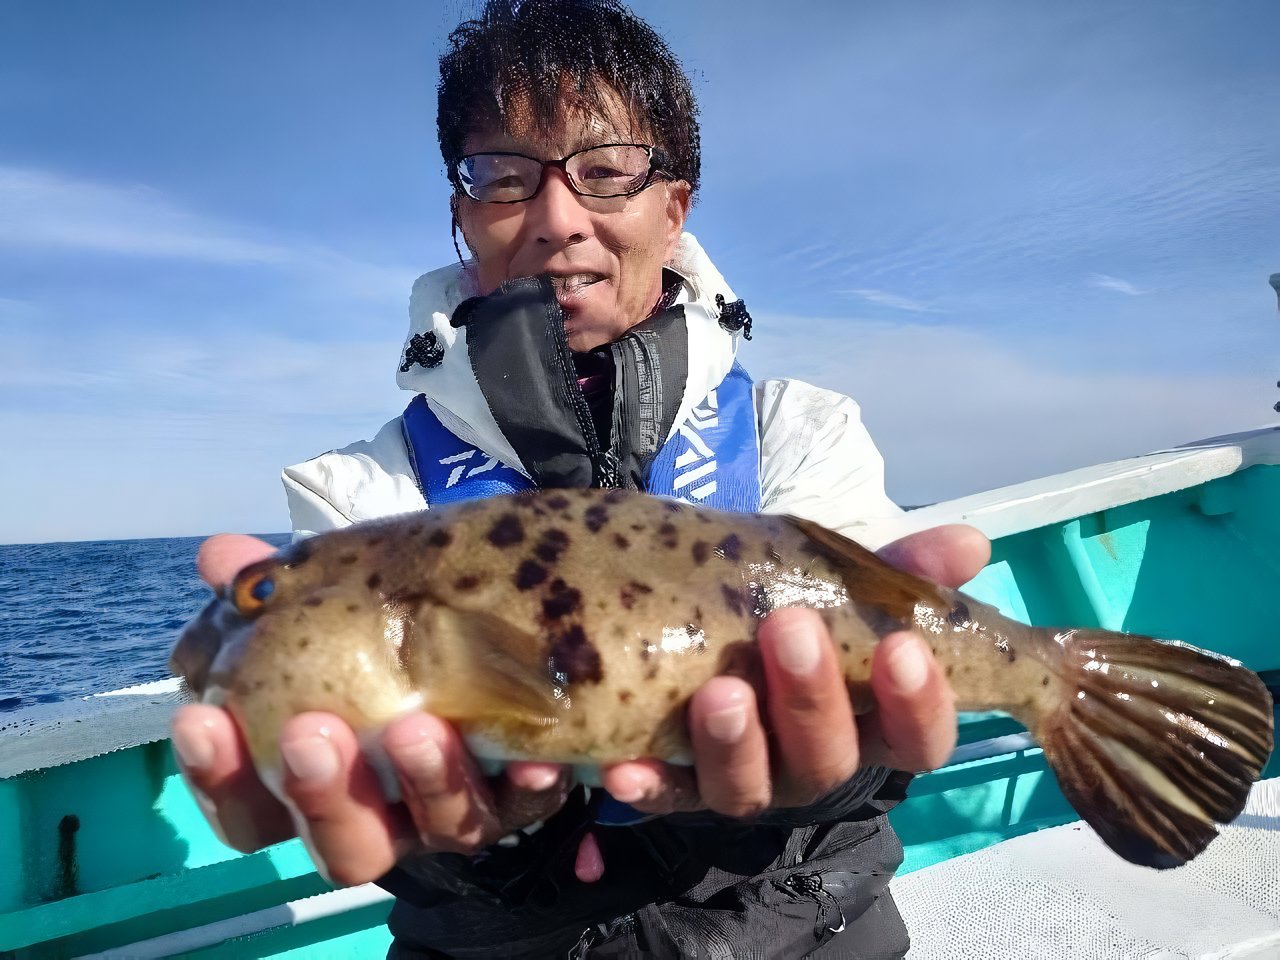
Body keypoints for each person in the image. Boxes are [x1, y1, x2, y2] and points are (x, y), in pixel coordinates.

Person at [172, 2, 989, 956]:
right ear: (461, 214)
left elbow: (868, 677)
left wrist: (843, 771)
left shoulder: (798, 431)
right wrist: (453, 851)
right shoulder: (360, 491)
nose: (559, 220)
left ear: (673, 207)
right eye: (504, 178)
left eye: (606, 172)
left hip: (810, 924)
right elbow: (358, 736)